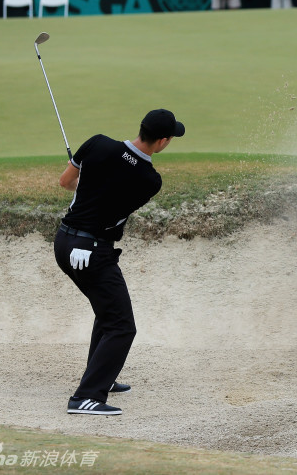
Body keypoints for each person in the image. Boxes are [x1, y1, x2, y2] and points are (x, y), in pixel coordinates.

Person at [56, 109, 185, 416]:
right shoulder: (150, 179)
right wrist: (96, 186)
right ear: (163, 141)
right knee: (122, 326)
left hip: (65, 242)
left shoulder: (98, 143)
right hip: (91, 251)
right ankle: (86, 397)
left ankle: (102, 376)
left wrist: (88, 180)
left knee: (108, 312)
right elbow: (111, 206)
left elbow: (65, 182)